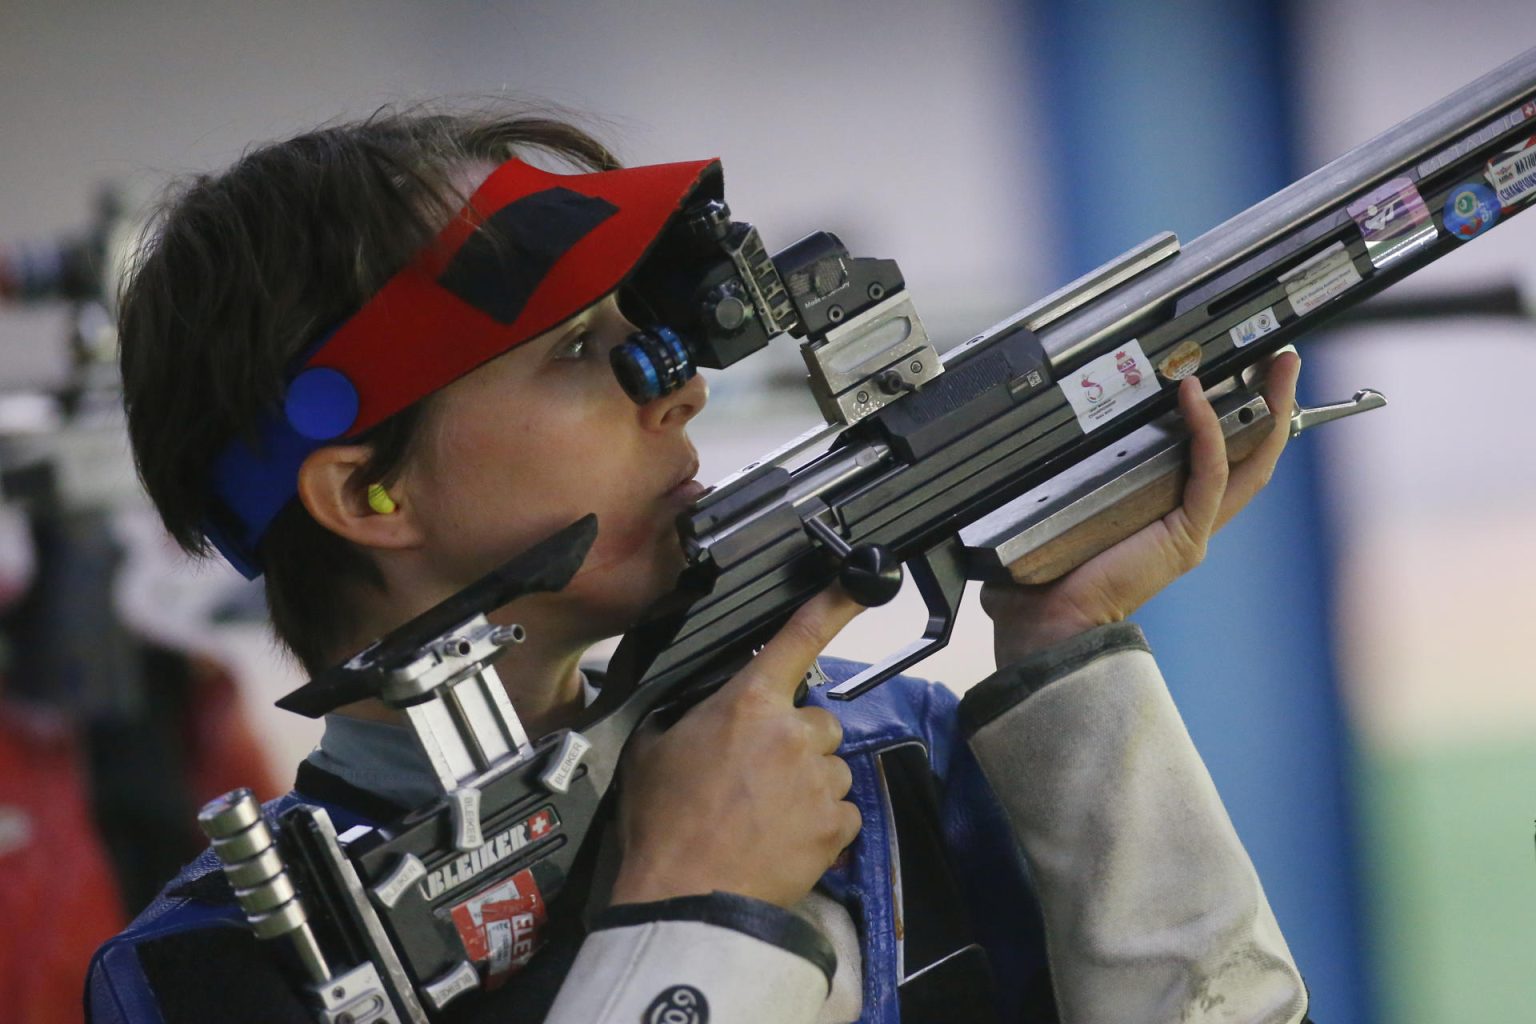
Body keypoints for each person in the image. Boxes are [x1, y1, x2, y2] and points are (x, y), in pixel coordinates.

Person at [86, 107, 1312, 1023]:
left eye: (650, 337)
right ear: (368, 492)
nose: (681, 387)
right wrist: (689, 911)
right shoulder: (205, 972)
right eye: (580, 348)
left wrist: (1068, 663)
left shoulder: (889, 755)